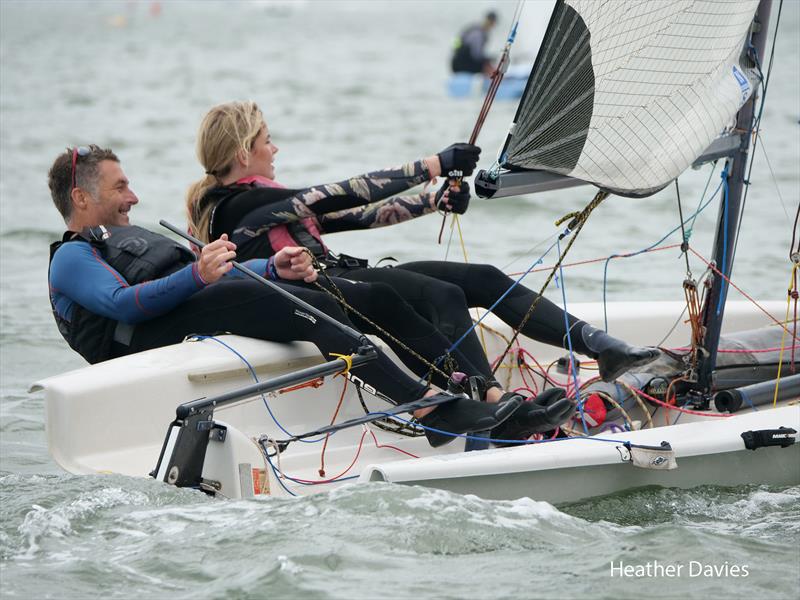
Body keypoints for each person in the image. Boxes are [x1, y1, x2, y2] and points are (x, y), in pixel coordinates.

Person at [46, 145, 570, 448]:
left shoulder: (126, 238)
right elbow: (121, 304)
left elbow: (214, 273)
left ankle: (452, 403)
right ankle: (430, 410)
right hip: (144, 340)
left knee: (317, 302)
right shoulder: (71, 257)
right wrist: (198, 278)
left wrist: (268, 264)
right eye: (120, 187)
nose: (133, 197)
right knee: (301, 308)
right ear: (80, 196)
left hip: (184, 309)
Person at [185, 101, 660, 404]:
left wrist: (434, 200)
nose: (276, 148)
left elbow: (360, 217)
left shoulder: (269, 200)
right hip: (327, 292)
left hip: (347, 275)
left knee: (484, 278)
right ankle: (486, 399)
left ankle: (600, 346)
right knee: (442, 294)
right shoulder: (242, 204)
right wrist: (432, 166)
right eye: (268, 140)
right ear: (244, 153)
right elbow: (339, 195)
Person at [451, 11, 498, 76]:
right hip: (460, 64)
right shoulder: (478, 34)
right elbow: (477, 55)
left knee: (486, 62)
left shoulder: (475, 29)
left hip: (456, 62)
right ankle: (495, 79)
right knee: (486, 64)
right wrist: (488, 59)